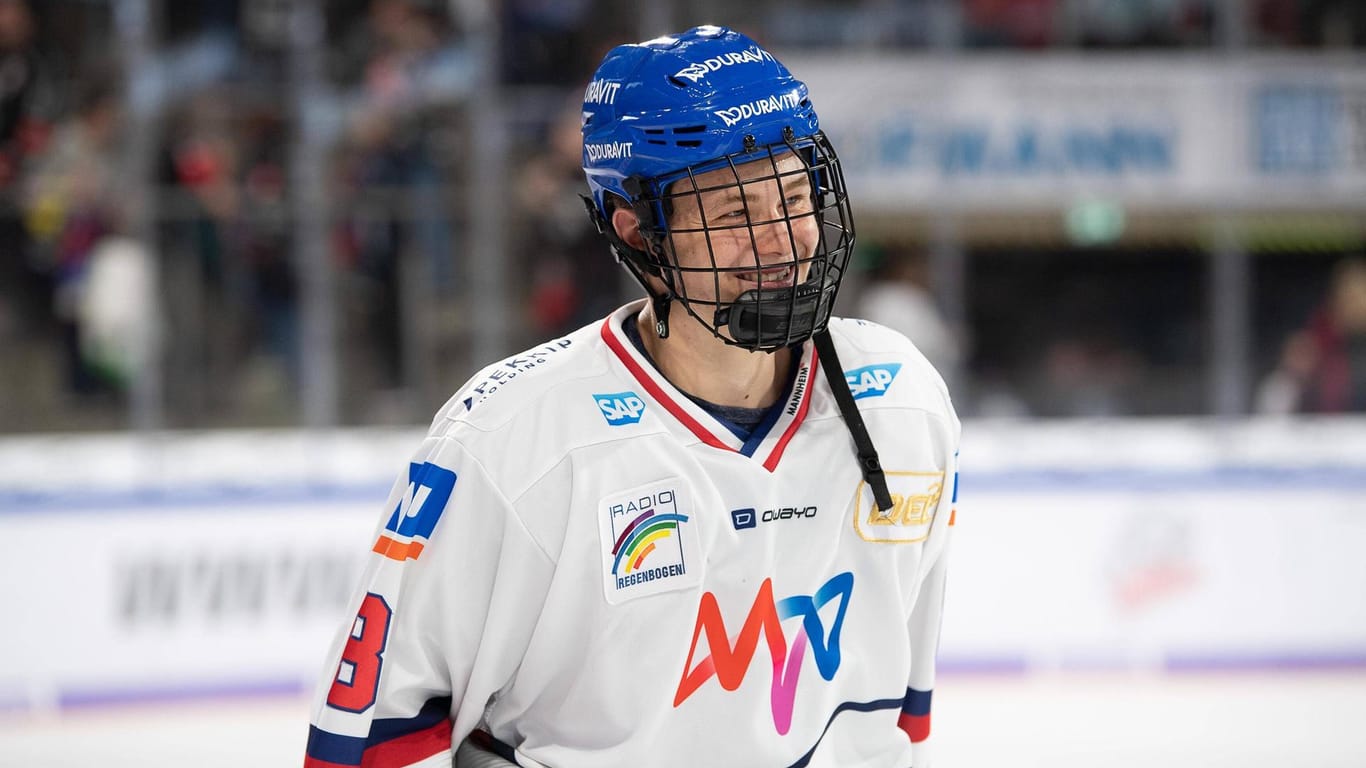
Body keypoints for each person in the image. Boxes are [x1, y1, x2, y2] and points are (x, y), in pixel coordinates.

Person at [306, 25, 960, 768]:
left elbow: (896, 725)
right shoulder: (509, 444)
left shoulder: (901, 404)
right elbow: (367, 746)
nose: (780, 240)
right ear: (639, 234)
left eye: (792, 196)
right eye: (735, 216)